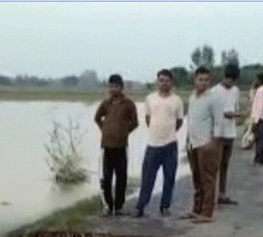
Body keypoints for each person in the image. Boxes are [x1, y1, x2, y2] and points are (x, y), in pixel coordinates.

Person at [135, 69, 184, 217]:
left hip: (170, 145)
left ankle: (165, 206)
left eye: (167, 81)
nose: (164, 83)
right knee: (147, 178)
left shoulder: (177, 100)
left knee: (169, 177)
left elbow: (179, 121)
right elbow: (148, 119)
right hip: (153, 145)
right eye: (161, 80)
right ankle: (140, 206)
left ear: (171, 83)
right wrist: (156, 133)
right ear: (157, 82)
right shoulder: (150, 98)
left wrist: (168, 132)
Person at [94, 74, 138, 216]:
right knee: (106, 178)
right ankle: (108, 205)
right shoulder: (105, 104)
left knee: (121, 178)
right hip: (107, 146)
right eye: (111, 86)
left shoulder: (128, 104)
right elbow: (97, 118)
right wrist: (105, 129)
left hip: (121, 146)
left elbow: (135, 122)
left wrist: (124, 131)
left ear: (121, 88)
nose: (113, 89)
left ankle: (119, 206)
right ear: (108, 88)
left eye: (116, 86)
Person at [184, 66, 224, 224]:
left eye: (206, 80)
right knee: (196, 179)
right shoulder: (192, 97)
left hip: (207, 144)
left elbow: (219, 122)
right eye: (200, 79)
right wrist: (188, 141)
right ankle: (196, 209)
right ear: (195, 80)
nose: (203, 83)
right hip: (193, 143)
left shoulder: (214, 98)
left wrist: (213, 143)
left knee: (208, 179)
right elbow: (191, 121)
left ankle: (207, 212)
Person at [211, 63, 241, 205]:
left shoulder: (235, 91)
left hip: (230, 132)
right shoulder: (214, 91)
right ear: (224, 77)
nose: (231, 83)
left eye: (233, 81)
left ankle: (222, 194)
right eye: (229, 80)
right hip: (217, 133)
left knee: (225, 164)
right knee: (214, 165)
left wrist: (234, 115)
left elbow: (235, 108)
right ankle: (210, 195)